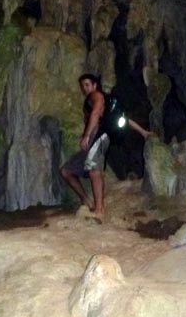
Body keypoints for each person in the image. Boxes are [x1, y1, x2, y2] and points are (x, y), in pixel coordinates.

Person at [60, 73, 151, 220]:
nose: (84, 88)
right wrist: (143, 132)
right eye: (83, 86)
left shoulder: (95, 95)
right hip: (93, 141)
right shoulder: (101, 102)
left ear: (95, 85)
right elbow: (123, 119)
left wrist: (86, 135)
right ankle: (86, 201)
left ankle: (99, 210)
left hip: (99, 136)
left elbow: (96, 113)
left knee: (94, 171)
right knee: (66, 171)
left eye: (87, 85)